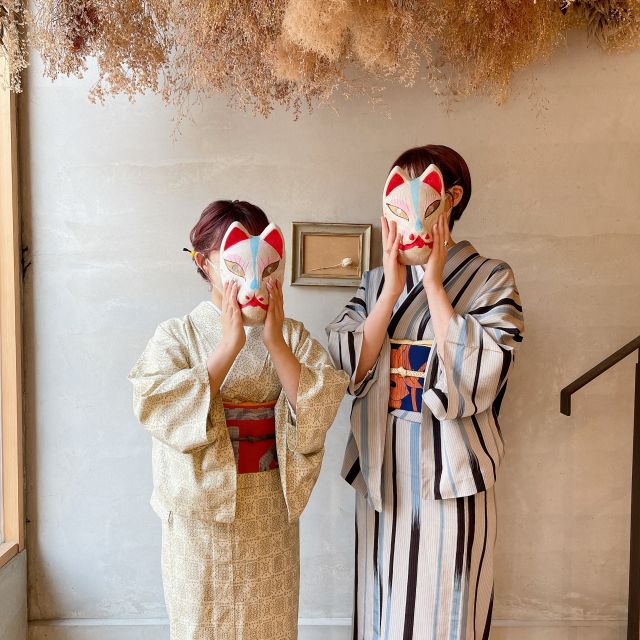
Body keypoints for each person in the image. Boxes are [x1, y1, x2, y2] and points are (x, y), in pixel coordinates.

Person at [326, 145, 525, 640]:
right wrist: (393, 290)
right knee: (382, 602)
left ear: (451, 197)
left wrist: (434, 286)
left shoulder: (490, 277)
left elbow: (486, 369)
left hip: (450, 471)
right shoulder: (376, 282)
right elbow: (349, 367)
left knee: (443, 608)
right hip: (384, 463)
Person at [128, 199, 349, 640]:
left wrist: (275, 341)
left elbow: (319, 405)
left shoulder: (291, 335)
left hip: (268, 507)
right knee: (202, 625)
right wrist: (229, 345)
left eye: (266, 263)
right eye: (234, 258)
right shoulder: (178, 334)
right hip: (200, 515)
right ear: (204, 262)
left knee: (270, 625)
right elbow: (154, 403)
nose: (254, 278)